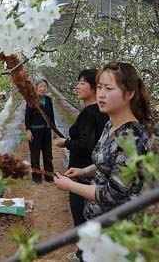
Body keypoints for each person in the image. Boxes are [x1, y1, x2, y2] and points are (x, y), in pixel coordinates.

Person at [53, 62, 152, 223]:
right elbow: (108, 161)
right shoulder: (110, 125)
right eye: (99, 87)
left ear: (129, 94)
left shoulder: (132, 139)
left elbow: (113, 194)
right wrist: (84, 171)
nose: (101, 94)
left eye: (109, 88)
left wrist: (70, 186)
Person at [53, 69, 109, 228]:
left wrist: (65, 143)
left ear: (94, 88)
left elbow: (86, 145)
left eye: (82, 83)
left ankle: (82, 252)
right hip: (97, 173)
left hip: (83, 172)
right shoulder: (104, 112)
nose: (77, 87)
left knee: (81, 218)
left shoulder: (88, 114)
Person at [25, 79, 56, 183]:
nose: (43, 88)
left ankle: (49, 175)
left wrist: (54, 130)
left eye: (45, 86)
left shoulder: (48, 100)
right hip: (35, 131)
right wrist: (28, 130)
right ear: (36, 88)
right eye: (41, 86)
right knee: (35, 154)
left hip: (46, 131)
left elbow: (51, 116)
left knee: (48, 154)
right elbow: (27, 117)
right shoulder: (31, 100)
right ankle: (36, 175)